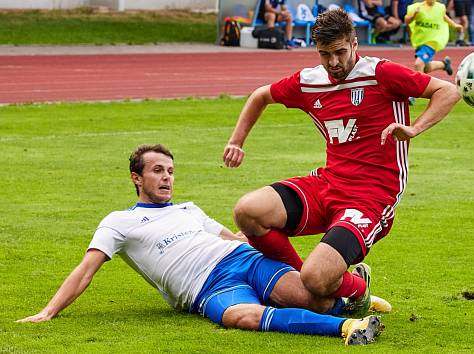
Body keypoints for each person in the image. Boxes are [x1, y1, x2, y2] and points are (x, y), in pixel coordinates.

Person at [16, 144, 384, 346]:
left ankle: (355, 291)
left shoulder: (189, 209)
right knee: (241, 318)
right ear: (136, 177)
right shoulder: (118, 221)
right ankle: (350, 327)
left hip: (244, 260)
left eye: (170, 172)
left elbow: (232, 237)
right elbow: (85, 270)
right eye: (157, 171)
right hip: (207, 288)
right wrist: (49, 312)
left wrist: (259, 234)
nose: (166, 178)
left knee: (314, 297)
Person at [223, 9, 460, 319]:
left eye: (339, 52)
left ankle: (357, 288)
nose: (333, 62)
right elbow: (260, 96)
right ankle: (309, 280)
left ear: (354, 43)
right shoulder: (309, 82)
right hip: (328, 183)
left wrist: (414, 128)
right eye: (325, 54)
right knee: (247, 212)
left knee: (317, 277)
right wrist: (236, 142)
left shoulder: (381, 73)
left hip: (372, 197)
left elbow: (448, 91)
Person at [405, 0, 464, 75]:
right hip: (420, 41)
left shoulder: (440, 7)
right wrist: (414, 15)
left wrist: (455, 25)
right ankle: (444, 64)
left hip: (432, 42)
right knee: (426, 68)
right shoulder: (417, 7)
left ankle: (420, 85)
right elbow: (407, 20)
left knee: (418, 64)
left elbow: (444, 17)